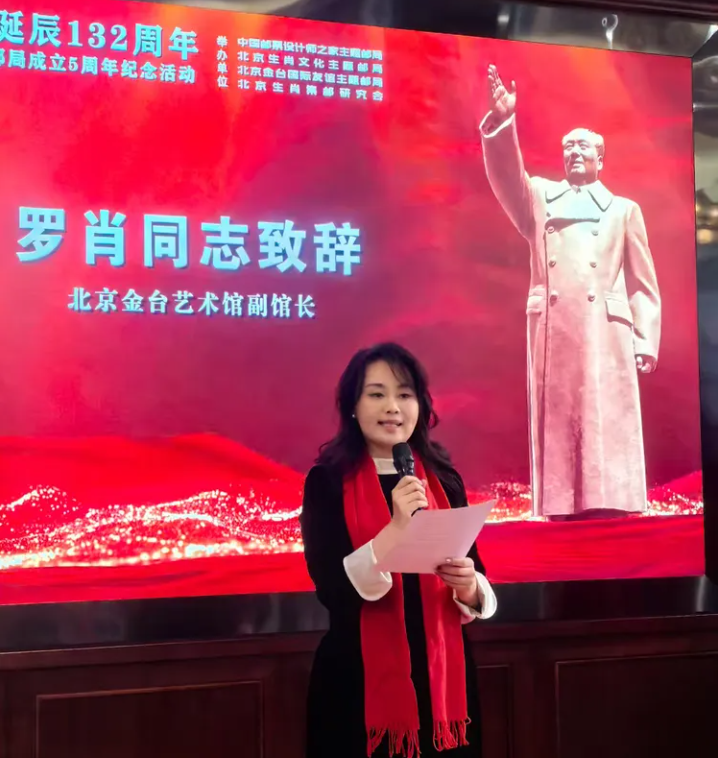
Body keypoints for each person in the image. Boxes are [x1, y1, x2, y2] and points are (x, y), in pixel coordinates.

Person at [479, 64, 661, 521]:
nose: (574, 153)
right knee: (560, 416)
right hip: (555, 326)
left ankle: (613, 499)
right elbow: (507, 178)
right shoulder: (541, 198)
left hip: (606, 330)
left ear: (601, 158)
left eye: (583, 147)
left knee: (606, 415)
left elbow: (643, 281)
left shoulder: (623, 210)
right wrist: (504, 122)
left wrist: (645, 338)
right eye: (568, 147)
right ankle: (562, 505)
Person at [301, 342, 497, 758]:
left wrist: (468, 587)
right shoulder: (327, 482)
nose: (392, 407)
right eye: (377, 394)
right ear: (353, 407)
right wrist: (395, 530)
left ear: (420, 407)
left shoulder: (443, 479)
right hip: (357, 684)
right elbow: (332, 589)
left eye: (404, 394)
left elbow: (477, 576)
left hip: (444, 687)